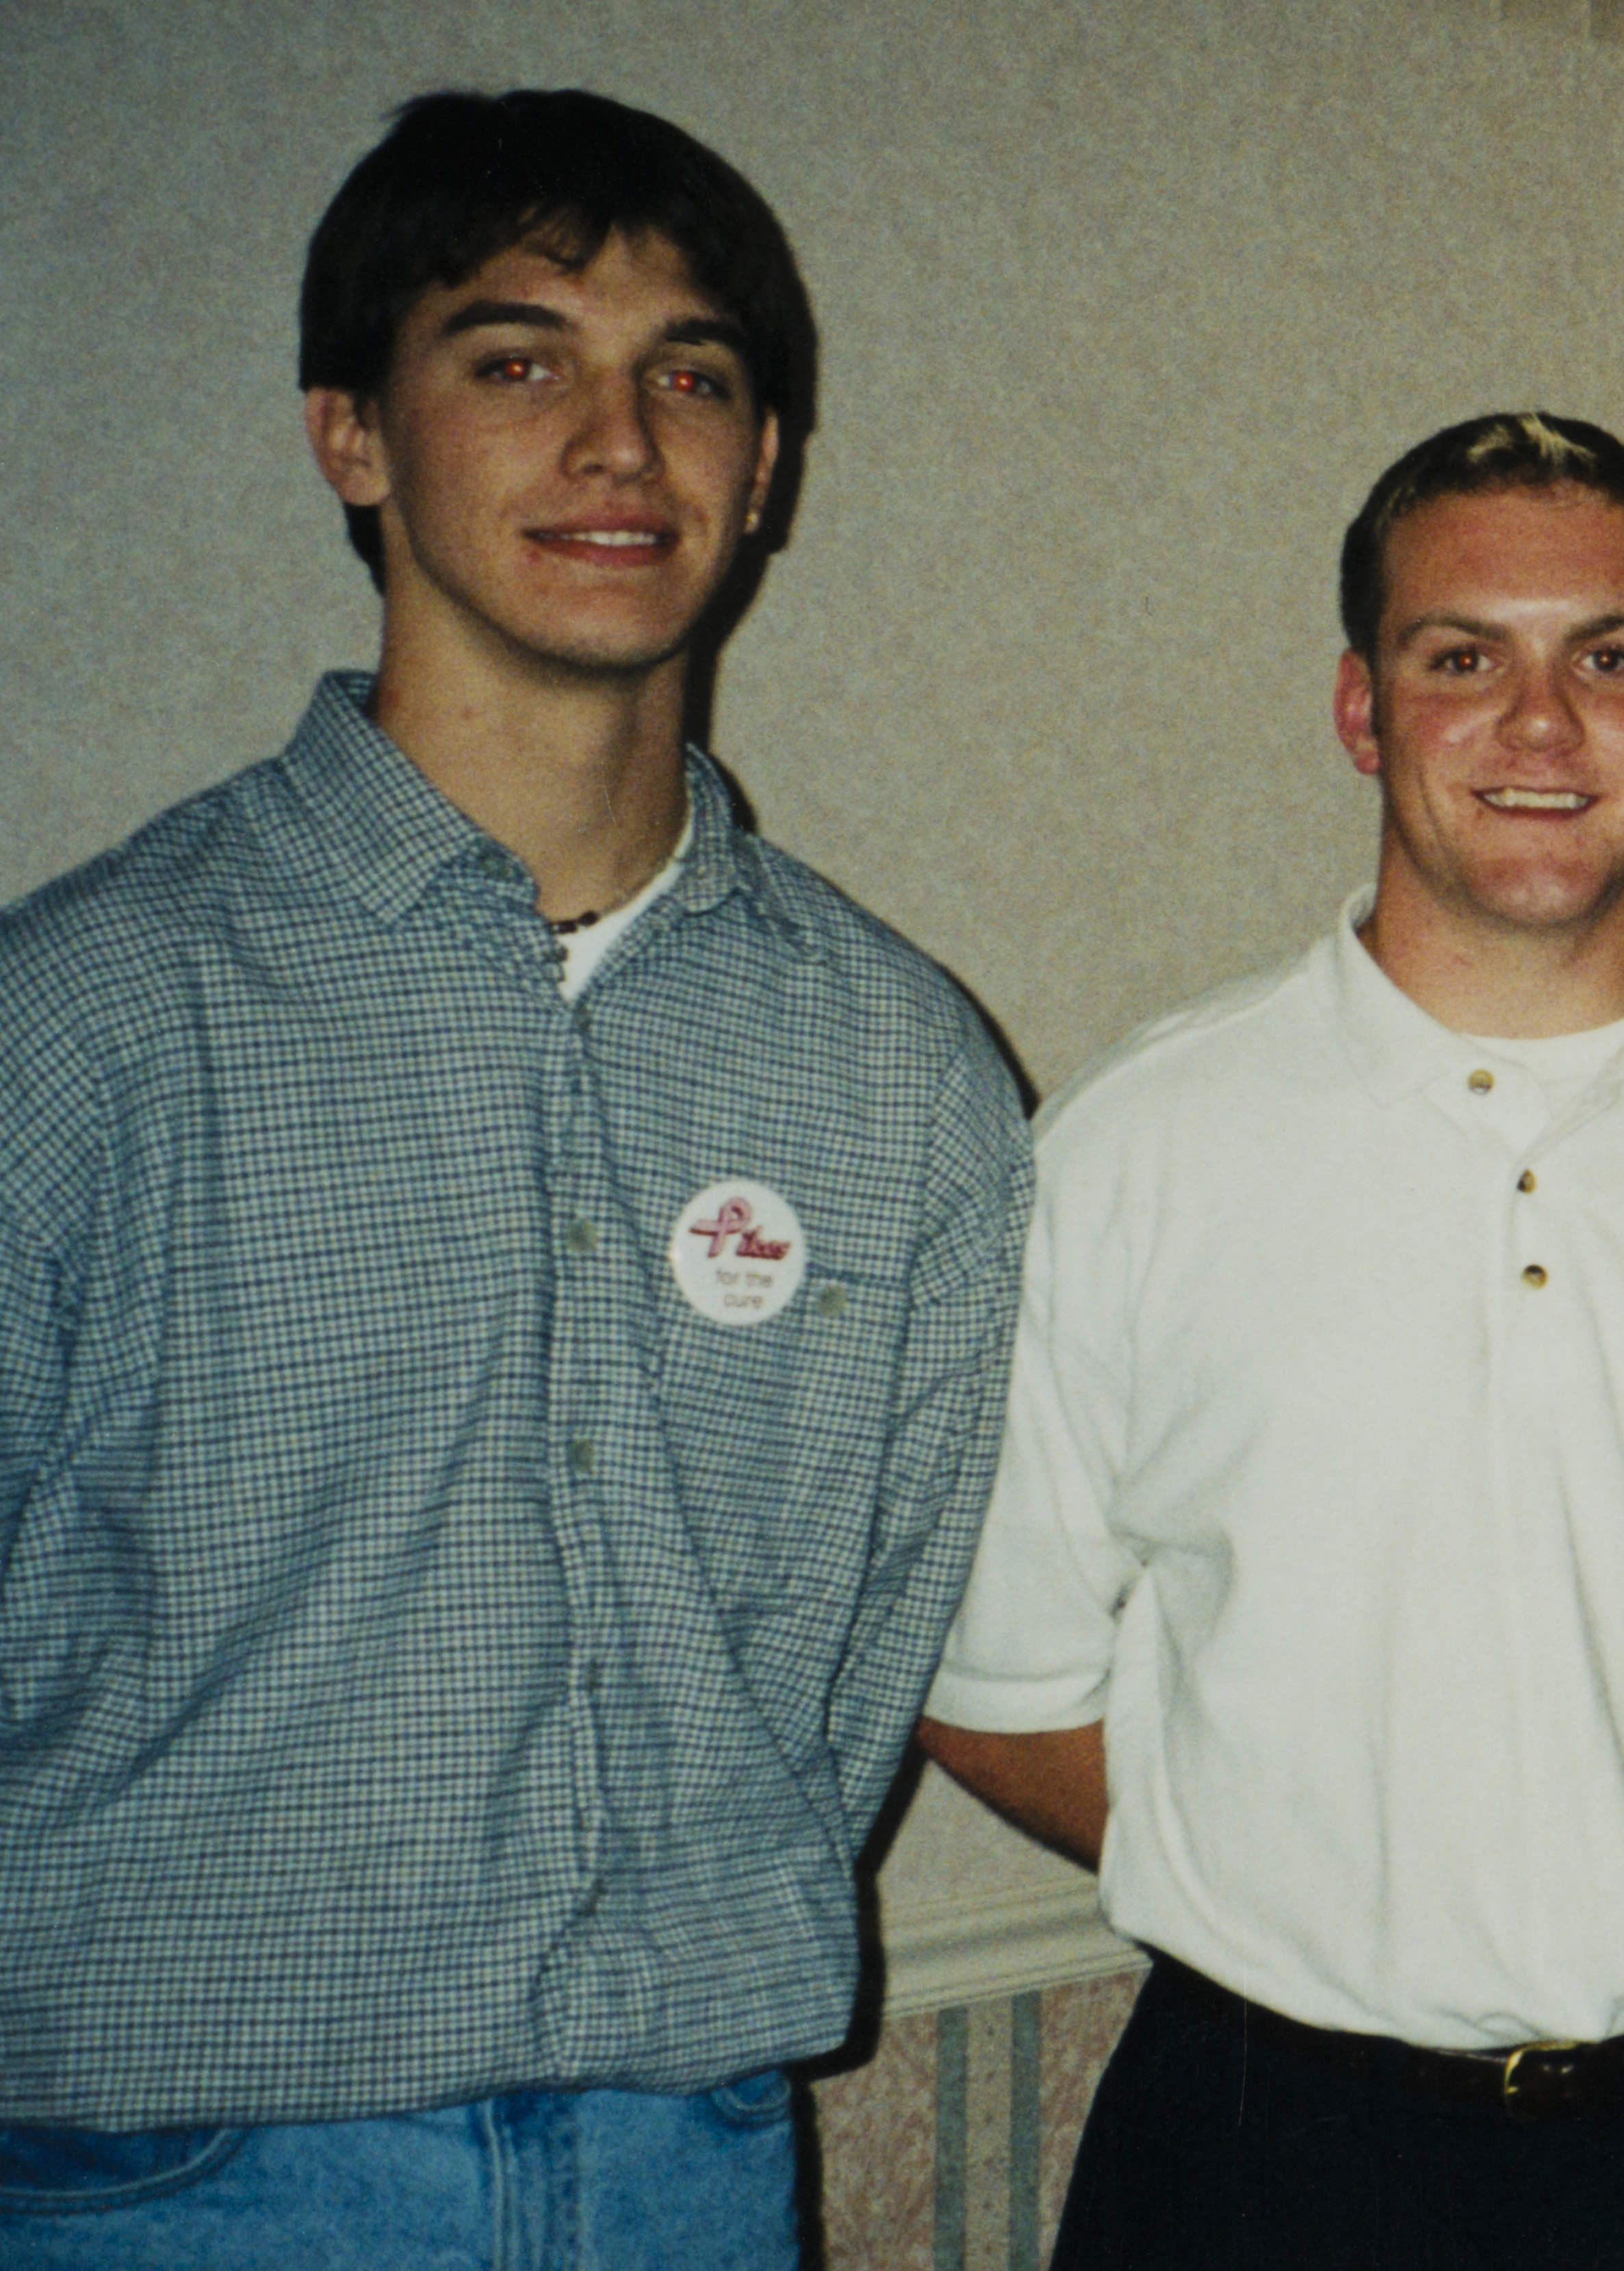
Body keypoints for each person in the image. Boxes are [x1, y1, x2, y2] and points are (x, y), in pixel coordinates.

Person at [0, 90, 1031, 2264]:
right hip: (158, 2177)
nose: (618, 440)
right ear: (350, 435)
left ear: (763, 472)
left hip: (692, 2161)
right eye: (514, 355)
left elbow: (857, 1659)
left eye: (692, 373)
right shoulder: (84, 1021)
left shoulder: (898, 1062)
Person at [916, 412, 1624, 2270]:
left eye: (1606, 657)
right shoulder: (1142, 1145)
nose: (1537, 726)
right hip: (1264, 2154)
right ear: (1357, 706)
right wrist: (1313, 1873)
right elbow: (1003, 1689)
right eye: (1459, 656)